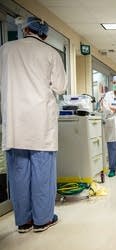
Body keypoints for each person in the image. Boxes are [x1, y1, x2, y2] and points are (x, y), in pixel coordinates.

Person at [0, 17, 67, 232]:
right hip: (40, 123)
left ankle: (23, 221)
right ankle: (42, 219)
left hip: (14, 123)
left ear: (25, 29)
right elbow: (60, 87)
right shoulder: (50, 53)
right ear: (44, 35)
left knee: (18, 174)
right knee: (42, 174)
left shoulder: (5, 49)